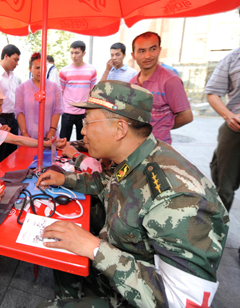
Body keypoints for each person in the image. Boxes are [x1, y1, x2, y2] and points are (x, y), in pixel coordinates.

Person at [36, 80, 229, 308]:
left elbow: (181, 301)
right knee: (62, 246)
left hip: (138, 297)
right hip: (122, 265)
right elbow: (109, 184)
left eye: (87, 122)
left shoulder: (179, 200)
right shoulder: (136, 157)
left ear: (120, 129)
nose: (83, 130)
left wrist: (93, 247)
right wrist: (66, 178)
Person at [0, 84, 66, 178]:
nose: (1, 110)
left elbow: (0, 129)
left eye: (1, 105)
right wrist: (46, 143)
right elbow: (16, 140)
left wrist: (2, 129)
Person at [129, 31, 193, 144]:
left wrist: (162, 128)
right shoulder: (132, 83)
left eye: (153, 49)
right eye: (142, 51)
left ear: (159, 50)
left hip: (159, 147)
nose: (148, 55)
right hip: (135, 145)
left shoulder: (170, 80)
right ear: (133, 55)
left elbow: (186, 117)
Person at [205, 47, 240, 213]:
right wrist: (228, 116)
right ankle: (217, 230)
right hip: (236, 129)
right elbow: (212, 92)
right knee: (223, 186)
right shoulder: (233, 58)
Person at [15, 52, 63, 140]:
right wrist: (24, 133)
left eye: (43, 67)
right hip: (28, 133)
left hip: (49, 134)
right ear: (30, 69)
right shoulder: (22, 88)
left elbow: (57, 110)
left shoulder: (55, 87)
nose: (40, 71)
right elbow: (19, 112)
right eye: (37, 68)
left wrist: (52, 130)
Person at [59, 40, 97, 141]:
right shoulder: (64, 71)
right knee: (63, 141)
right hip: (67, 111)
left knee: (83, 141)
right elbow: (61, 91)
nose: (74, 56)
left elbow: (92, 92)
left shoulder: (91, 70)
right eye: (71, 53)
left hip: (83, 112)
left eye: (77, 53)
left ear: (83, 53)